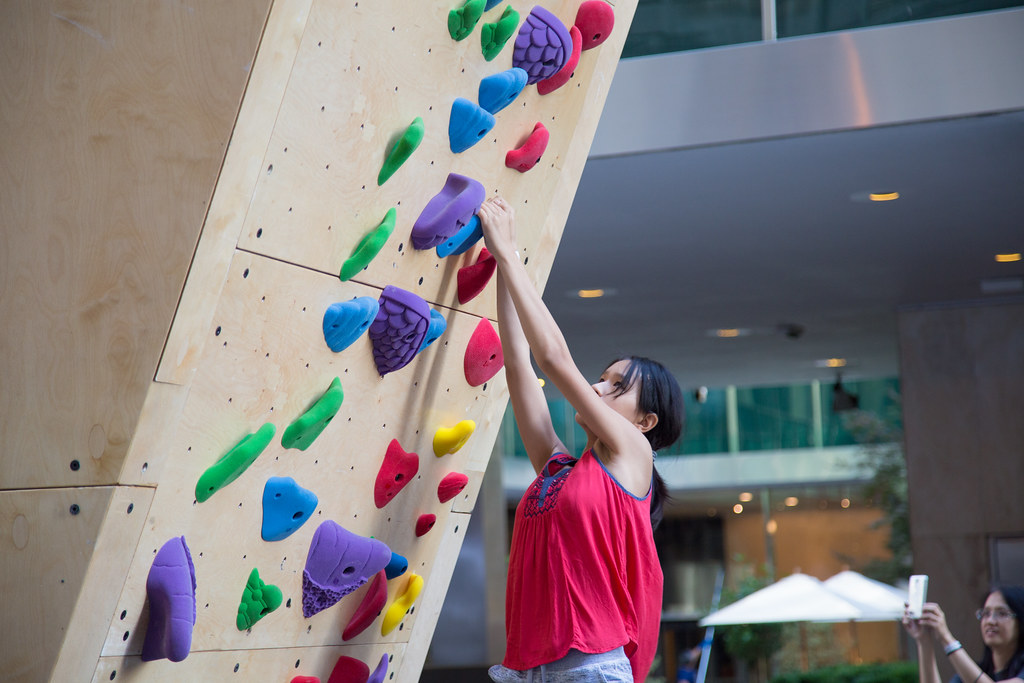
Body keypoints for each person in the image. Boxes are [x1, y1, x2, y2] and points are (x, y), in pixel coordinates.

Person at [479, 196, 685, 683]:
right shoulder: (558, 472)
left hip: (590, 668)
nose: (596, 388)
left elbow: (554, 361)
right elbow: (519, 366)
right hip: (529, 668)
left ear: (646, 423)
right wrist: (503, 268)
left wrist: (510, 252)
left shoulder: (634, 455)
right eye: (601, 377)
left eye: (617, 386)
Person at [903, 585, 1024, 683]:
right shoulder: (975, 671)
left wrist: (946, 638)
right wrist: (923, 640)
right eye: (986, 613)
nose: (990, 621)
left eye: (1002, 613)